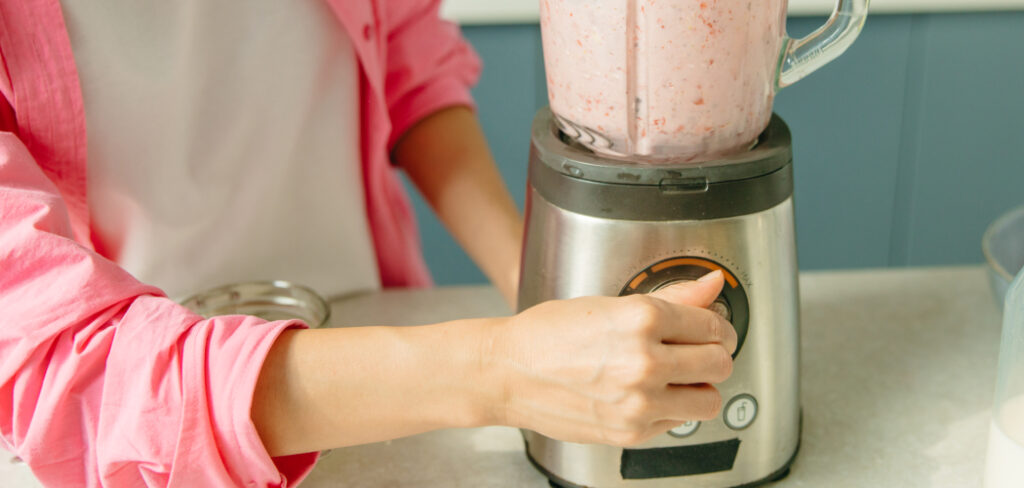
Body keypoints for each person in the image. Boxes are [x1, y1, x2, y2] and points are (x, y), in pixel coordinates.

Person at [0, 1, 737, 486]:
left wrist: (535, 279)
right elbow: (76, 373)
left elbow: (410, 59)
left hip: (383, 367)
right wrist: (502, 370)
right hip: (152, 443)